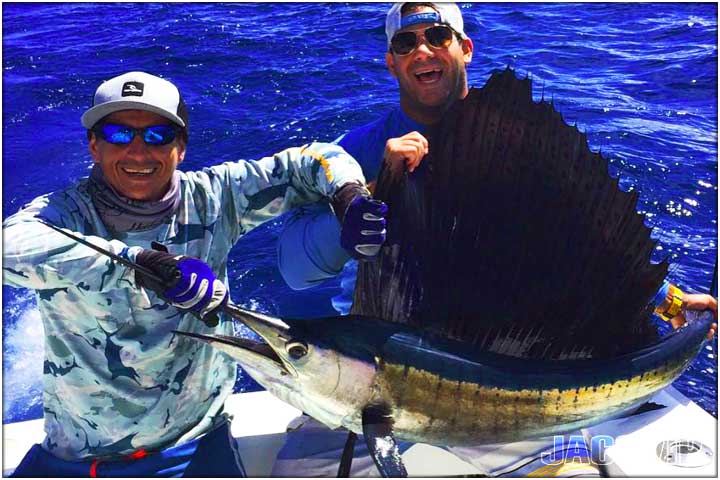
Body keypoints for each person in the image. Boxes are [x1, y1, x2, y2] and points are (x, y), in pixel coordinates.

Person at [273, 2, 718, 477]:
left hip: (520, 384)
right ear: (392, 61)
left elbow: (580, 243)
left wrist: (671, 305)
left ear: (465, 48)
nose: (422, 49)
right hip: (368, 382)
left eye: (437, 37)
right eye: (406, 43)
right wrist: (371, 196)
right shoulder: (353, 155)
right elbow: (294, 271)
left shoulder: (519, 144)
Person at [2, 71, 385, 477]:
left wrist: (348, 193)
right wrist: (140, 264)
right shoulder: (61, 214)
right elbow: (10, 249)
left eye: (157, 136)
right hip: (78, 461)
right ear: (94, 145)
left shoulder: (215, 197)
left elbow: (310, 159)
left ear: (180, 147)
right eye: (118, 134)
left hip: (196, 450)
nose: (137, 151)